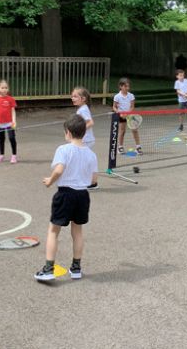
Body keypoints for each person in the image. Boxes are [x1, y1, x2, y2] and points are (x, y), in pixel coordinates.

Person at [34, 115, 98, 281]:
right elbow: (94, 180)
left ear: (68, 132)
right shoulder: (91, 154)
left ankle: (48, 269)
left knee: (53, 231)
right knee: (77, 231)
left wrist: (50, 181)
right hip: (82, 195)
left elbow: (59, 170)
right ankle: (76, 268)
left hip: (65, 194)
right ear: (84, 132)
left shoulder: (63, 149)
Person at [71, 86, 99, 190]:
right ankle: (90, 181)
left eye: (75, 96)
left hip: (86, 140)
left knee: (82, 161)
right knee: (82, 161)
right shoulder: (82, 109)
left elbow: (90, 122)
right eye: (72, 96)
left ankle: (91, 182)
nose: (72, 98)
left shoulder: (83, 109)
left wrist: (79, 130)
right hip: (84, 140)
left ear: (83, 99)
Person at [113, 77, 143, 155]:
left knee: (135, 130)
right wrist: (119, 113)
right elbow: (114, 107)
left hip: (130, 116)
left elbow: (132, 107)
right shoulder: (117, 96)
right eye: (125, 86)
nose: (127, 88)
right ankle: (120, 147)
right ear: (120, 86)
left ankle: (138, 147)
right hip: (121, 116)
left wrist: (127, 113)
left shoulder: (131, 96)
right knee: (122, 131)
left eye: (128, 86)